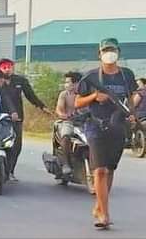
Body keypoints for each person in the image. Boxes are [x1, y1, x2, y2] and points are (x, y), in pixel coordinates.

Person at [75, 38, 138, 229]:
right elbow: (77, 103)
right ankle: (104, 214)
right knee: (100, 170)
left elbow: (131, 97)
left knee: (109, 169)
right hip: (96, 126)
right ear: (99, 54)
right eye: (106, 50)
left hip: (118, 126)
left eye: (112, 50)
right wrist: (94, 96)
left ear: (118, 52)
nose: (109, 53)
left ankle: (99, 206)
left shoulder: (126, 75)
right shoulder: (91, 77)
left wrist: (132, 113)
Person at [0, 58, 53, 181]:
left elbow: (31, 96)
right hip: (0, 119)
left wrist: (42, 107)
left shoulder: (20, 81)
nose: (7, 70)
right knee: (1, 145)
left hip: (17, 118)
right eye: (4, 67)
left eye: (9, 67)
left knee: (16, 146)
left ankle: (10, 171)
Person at [54, 71, 82, 175]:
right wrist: (63, 114)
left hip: (85, 122)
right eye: (65, 82)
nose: (66, 85)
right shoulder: (64, 94)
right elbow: (59, 109)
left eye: (68, 82)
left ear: (76, 83)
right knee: (65, 136)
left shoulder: (86, 93)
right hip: (69, 122)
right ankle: (66, 164)